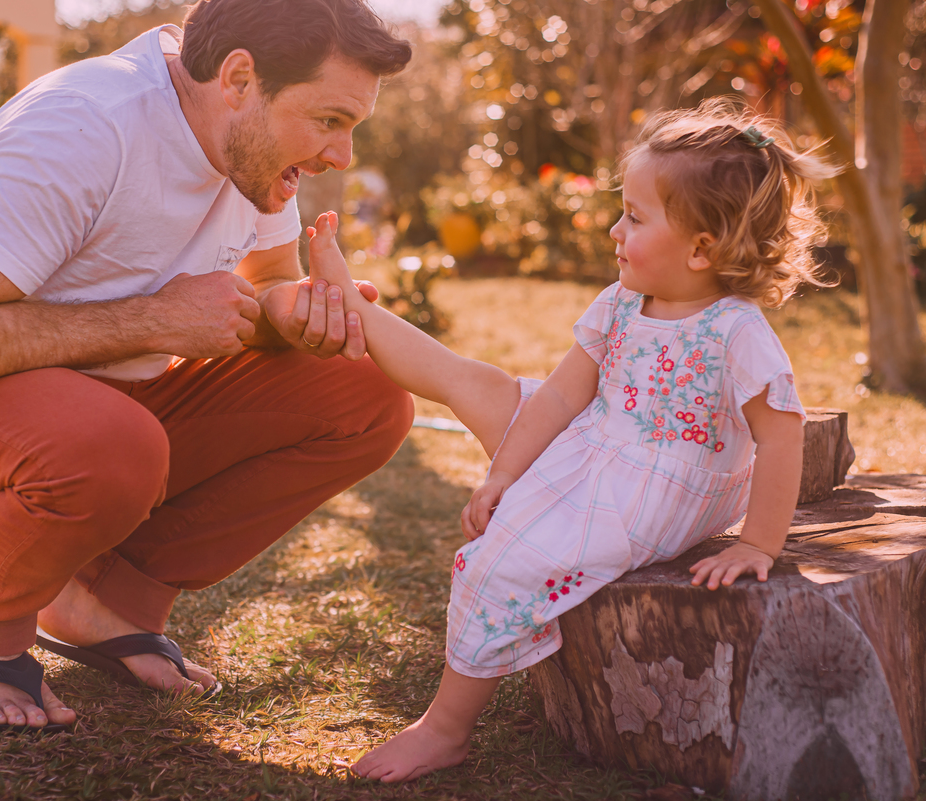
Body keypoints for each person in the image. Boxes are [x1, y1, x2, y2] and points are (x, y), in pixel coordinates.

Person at [0, 0, 414, 732]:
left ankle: (99, 600)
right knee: (115, 445)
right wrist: (155, 320)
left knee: (365, 391)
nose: (342, 156)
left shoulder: (254, 153)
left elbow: (263, 285)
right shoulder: (86, 126)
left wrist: (289, 314)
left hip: (91, 416)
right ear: (238, 78)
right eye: (329, 120)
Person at [303, 99, 836, 781]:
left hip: (654, 487)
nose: (615, 229)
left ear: (701, 249)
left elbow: (781, 435)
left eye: (635, 217)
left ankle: (445, 728)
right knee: (483, 385)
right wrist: (501, 475)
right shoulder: (619, 303)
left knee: (501, 560)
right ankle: (354, 306)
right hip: (604, 439)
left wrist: (758, 542)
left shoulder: (735, 331)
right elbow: (558, 395)